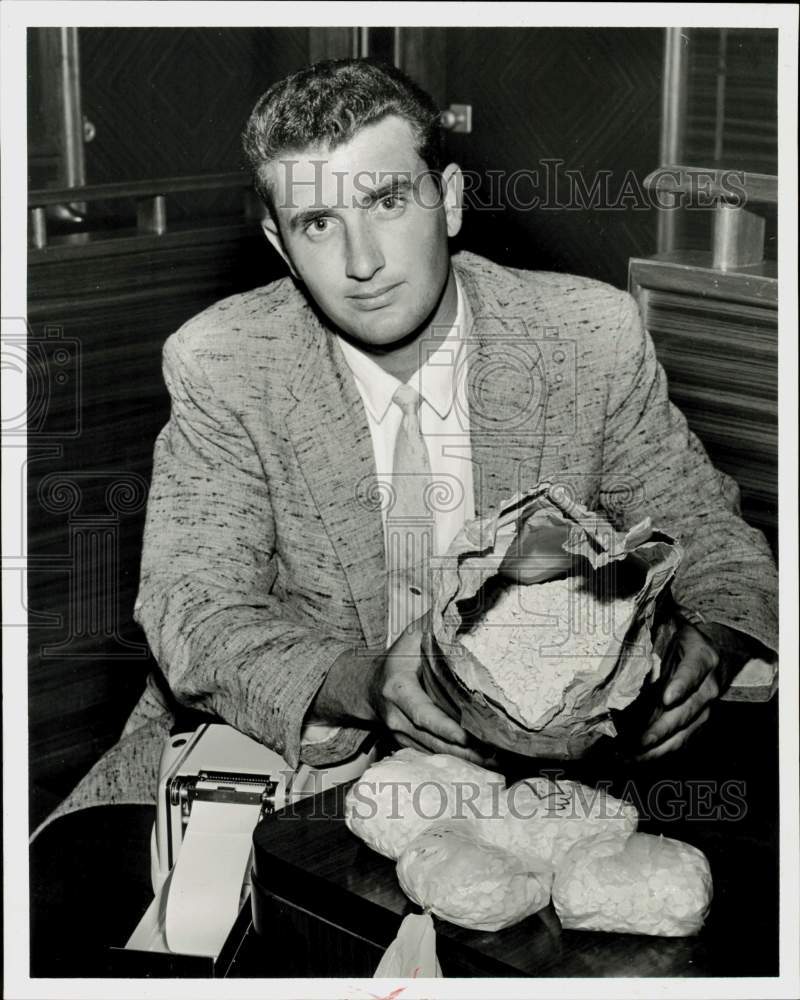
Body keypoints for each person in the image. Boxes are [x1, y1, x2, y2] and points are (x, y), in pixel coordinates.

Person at [30, 57, 777, 972]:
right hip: (282, 763)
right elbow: (193, 610)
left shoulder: (587, 336)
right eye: (317, 222)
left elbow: (716, 543)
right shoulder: (225, 360)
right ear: (278, 242)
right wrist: (362, 679)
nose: (362, 263)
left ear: (450, 199)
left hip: (543, 786)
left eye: (387, 200)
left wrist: (709, 642)